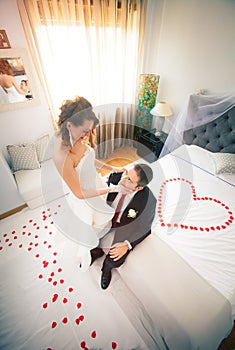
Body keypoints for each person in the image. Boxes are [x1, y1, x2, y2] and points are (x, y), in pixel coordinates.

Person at [53, 96, 125, 271]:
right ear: (69, 125)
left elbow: (89, 157)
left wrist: (111, 168)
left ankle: (97, 243)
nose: (88, 135)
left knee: (100, 220)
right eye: (85, 131)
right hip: (83, 195)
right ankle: (90, 251)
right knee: (88, 225)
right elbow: (79, 193)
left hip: (94, 184)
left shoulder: (78, 138)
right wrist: (110, 188)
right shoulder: (62, 155)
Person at [90, 163, 156, 289]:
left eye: (130, 180)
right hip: (106, 217)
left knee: (116, 256)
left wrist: (127, 244)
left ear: (138, 188)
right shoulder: (117, 176)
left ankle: (106, 268)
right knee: (91, 232)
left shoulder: (149, 201)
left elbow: (145, 228)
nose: (123, 179)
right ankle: (96, 251)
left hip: (124, 226)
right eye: (127, 173)